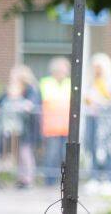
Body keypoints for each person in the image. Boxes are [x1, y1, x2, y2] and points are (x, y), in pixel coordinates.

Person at [0, 65, 41, 188]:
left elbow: (31, 104)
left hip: (26, 128)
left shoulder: (30, 89)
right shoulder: (10, 89)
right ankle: (18, 178)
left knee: (25, 153)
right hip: (9, 128)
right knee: (11, 154)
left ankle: (28, 179)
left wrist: (20, 105)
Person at [84, 53, 111, 186]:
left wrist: (99, 101)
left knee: (109, 147)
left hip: (106, 120)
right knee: (91, 145)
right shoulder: (91, 81)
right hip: (92, 117)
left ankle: (110, 178)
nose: (96, 70)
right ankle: (95, 177)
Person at [39, 56, 71, 186]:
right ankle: (49, 181)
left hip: (67, 127)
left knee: (65, 155)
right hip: (51, 128)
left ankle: (65, 181)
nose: (64, 73)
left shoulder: (70, 83)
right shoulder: (46, 83)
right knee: (51, 155)